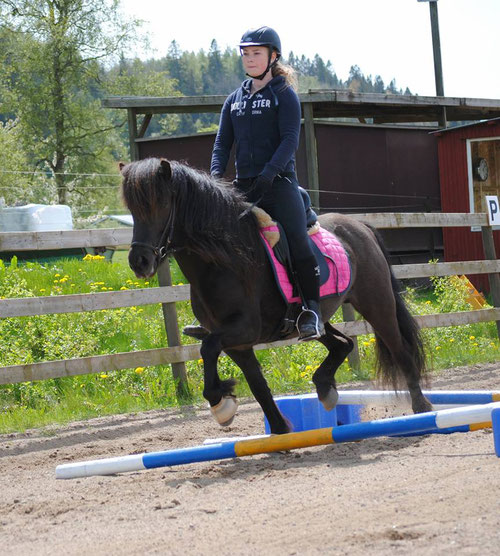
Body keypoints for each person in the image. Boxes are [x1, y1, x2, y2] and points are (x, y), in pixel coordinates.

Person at [210, 26, 324, 341]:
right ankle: (221, 312)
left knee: (298, 241)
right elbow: (222, 144)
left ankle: (311, 310)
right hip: (242, 187)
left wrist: (268, 175)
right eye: (245, 53)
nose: (249, 58)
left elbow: (290, 140)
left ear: (273, 56)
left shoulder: (284, 94)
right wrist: (217, 178)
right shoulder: (233, 99)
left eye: (256, 53)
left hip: (279, 184)